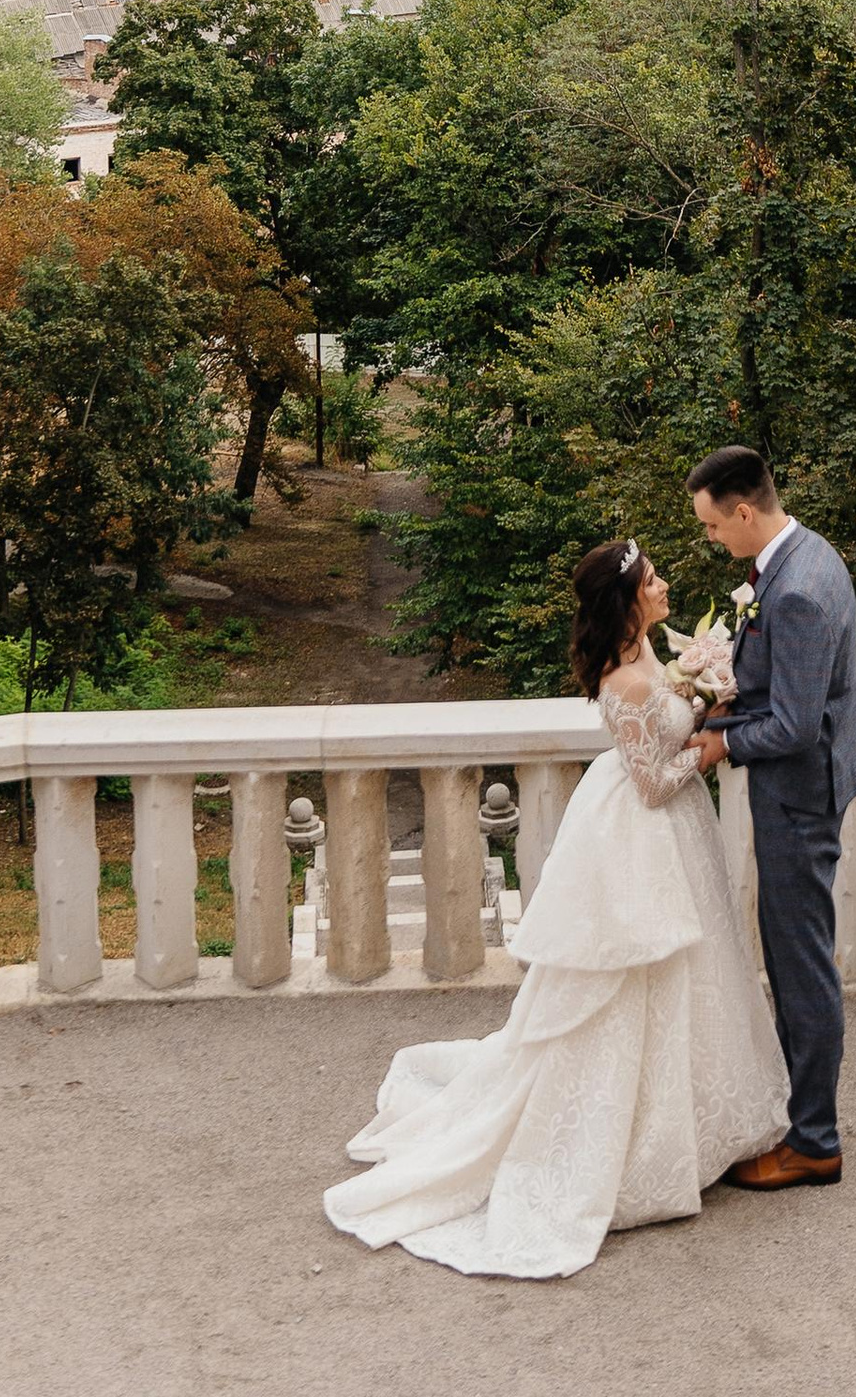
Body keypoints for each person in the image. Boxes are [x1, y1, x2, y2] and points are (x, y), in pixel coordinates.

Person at [323, 535, 790, 1278]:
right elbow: (653, 783)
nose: (665, 584)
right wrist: (714, 749)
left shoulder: (651, 657)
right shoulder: (626, 683)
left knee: (691, 971)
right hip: (642, 831)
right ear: (631, 595)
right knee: (637, 975)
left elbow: (671, 738)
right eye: (655, 578)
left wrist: (706, 697)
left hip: (675, 835)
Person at [687, 443, 856, 1189]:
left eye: (711, 526)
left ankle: (814, 1141)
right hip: (811, 780)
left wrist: (719, 744)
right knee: (798, 952)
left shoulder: (795, 590)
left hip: (800, 794)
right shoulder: (808, 554)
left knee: (799, 964)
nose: (711, 540)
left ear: (743, 511)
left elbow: (794, 729)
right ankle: (805, 1119)